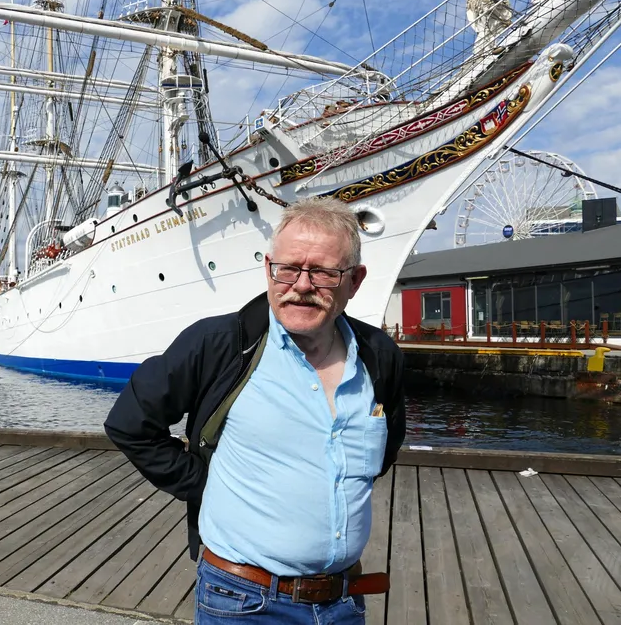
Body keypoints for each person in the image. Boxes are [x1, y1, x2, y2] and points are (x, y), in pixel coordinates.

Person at [105, 197, 405, 623]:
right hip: (245, 602)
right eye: (288, 268)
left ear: (354, 282)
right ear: (268, 268)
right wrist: (207, 483)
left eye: (322, 272)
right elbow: (130, 423)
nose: (301, 284)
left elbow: (385, 449)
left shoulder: (379, 356)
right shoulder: (219, 344)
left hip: (343, 602)